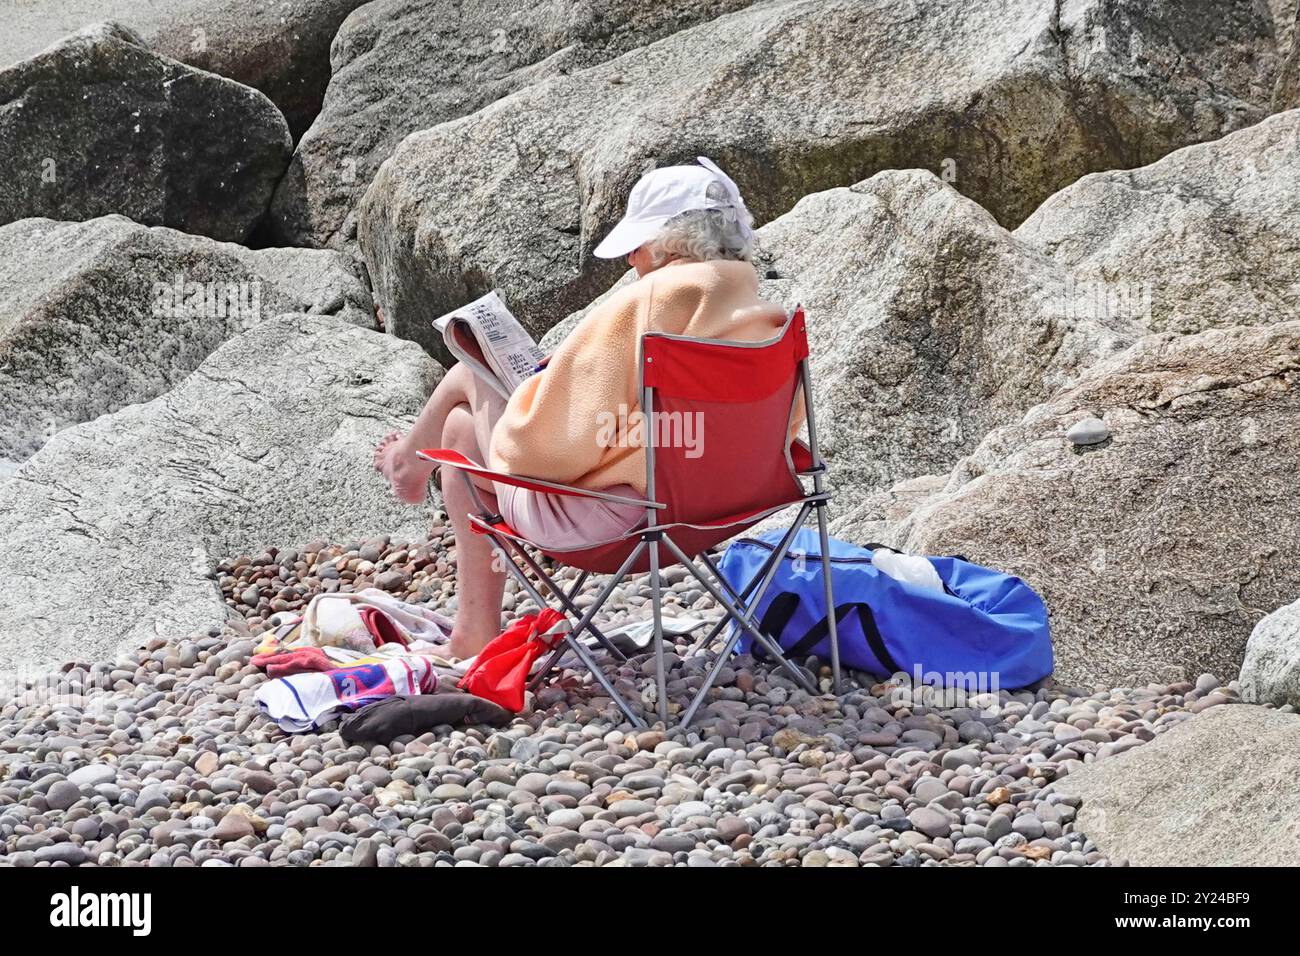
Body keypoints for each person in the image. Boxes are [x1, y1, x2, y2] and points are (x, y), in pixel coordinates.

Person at [375, 157, 796, 659]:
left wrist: (536, 392)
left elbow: (540, 451)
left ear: (669, 242)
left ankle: (408, 460)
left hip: (618, 521)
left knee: (467, 381)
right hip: (721, 506)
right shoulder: (761, 314)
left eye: (636, 245)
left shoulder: (647, 301)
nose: (630, 261)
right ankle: (471, 628)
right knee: (463, 431)